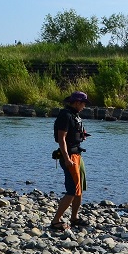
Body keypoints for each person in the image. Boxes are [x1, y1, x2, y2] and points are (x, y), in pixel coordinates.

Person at [51, 91, 90, 232]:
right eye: (83, 103)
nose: (84, 106)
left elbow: (72, 134)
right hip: (70, 156)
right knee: (72, 190)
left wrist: (81, 136)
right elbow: (61, 138)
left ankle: (74, 218)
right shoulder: (65, 115)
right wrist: (67, 158)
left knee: (79, 190)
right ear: (76, 102)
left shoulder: (75, 115)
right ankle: (56, 221)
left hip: (78, 154)